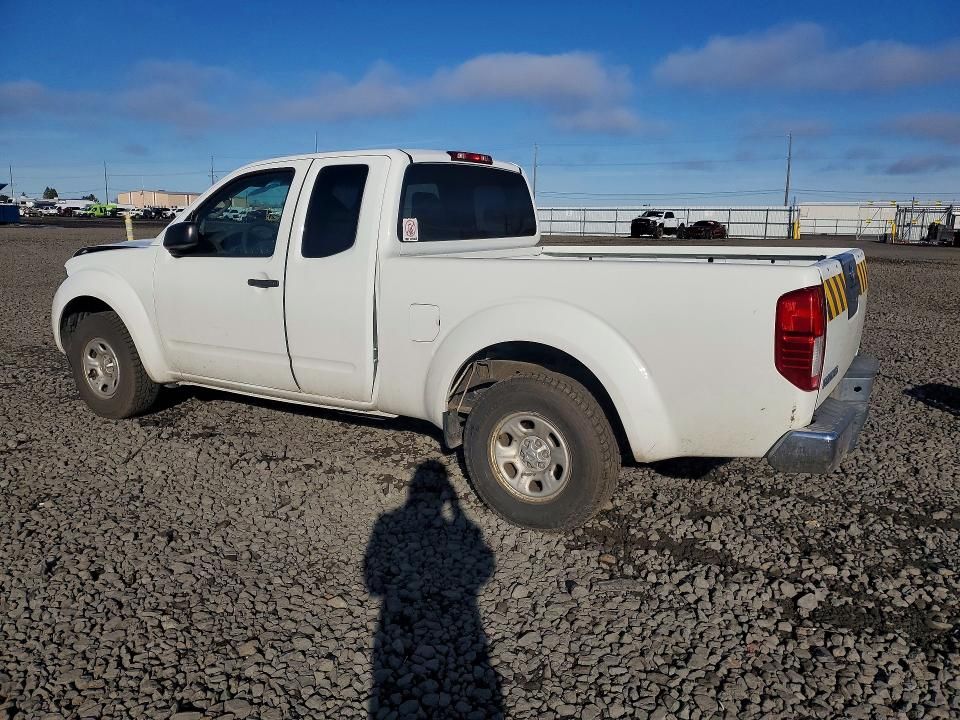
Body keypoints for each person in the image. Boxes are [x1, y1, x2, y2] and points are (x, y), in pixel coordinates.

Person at [364, 461, 503, 719]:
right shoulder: (463, 530)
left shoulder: (387, 522)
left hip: (393, 625)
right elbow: (484, 567)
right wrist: (459, 513)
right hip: (464, 619)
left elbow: (373, 583)